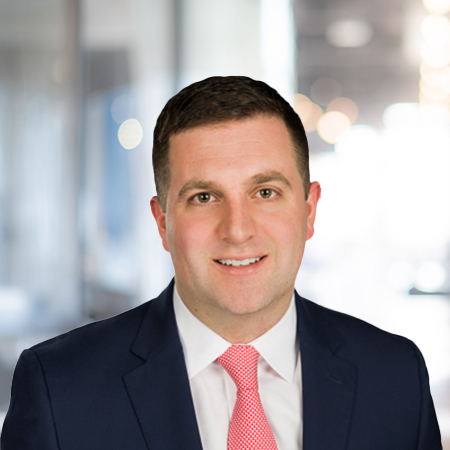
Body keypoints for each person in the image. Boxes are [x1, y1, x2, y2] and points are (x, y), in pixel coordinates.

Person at [1, 76, 442, 450]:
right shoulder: (58, 388)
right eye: (204, 197)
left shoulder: (395, 376)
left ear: (309, 211)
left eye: (265, 192)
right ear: (162, 222)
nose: (237, 229)